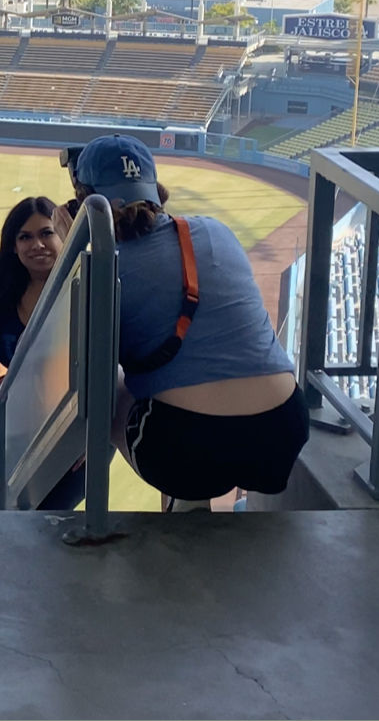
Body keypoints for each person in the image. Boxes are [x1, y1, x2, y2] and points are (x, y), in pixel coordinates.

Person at [72, 134, 310, 512]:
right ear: (156, 192)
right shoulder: (216, 231)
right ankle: (191, 509)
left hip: (184, 453)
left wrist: (70, 248)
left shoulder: (103, 268)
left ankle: (188, 511)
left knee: (111, 385)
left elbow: (76, 363)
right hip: (282, 431)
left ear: (82, 203)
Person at [0, 197, 68, 507]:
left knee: (46, 519)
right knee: (16, 517)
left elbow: (105, 369)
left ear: (63, 236)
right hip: (16, 432)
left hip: (71, 433)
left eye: (46, 233)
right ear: (13, 246)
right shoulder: (7, 290)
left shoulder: (82, 286)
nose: (37, 244)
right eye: (25, 236)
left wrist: (89, 440)